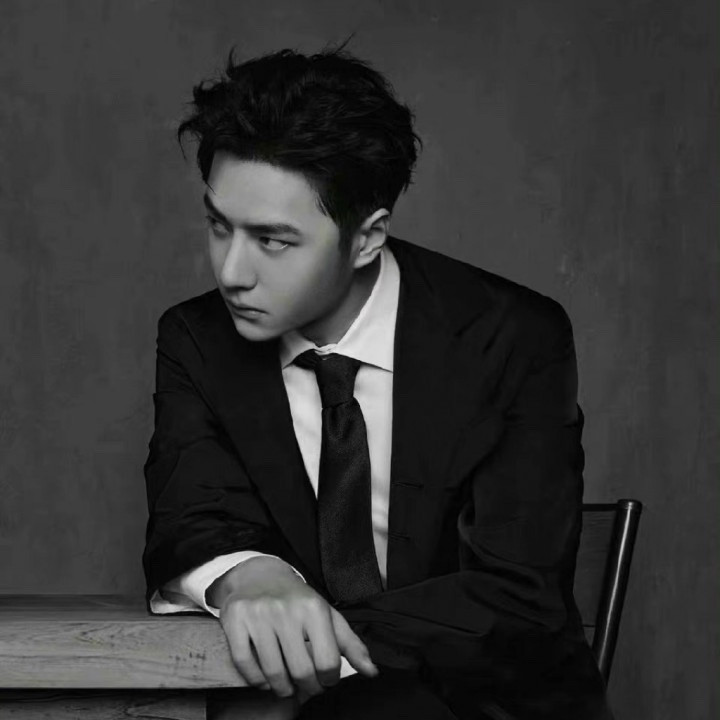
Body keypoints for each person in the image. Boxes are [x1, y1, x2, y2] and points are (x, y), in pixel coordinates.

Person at [142, 45, 613, 719]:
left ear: (367, 238)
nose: (232, 272)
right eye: (220, 226)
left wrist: (314, 637)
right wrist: (249, 576)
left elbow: (515, 591)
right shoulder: (196, 337)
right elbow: (189, 512)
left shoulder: (513, 336)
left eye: (273, 241)